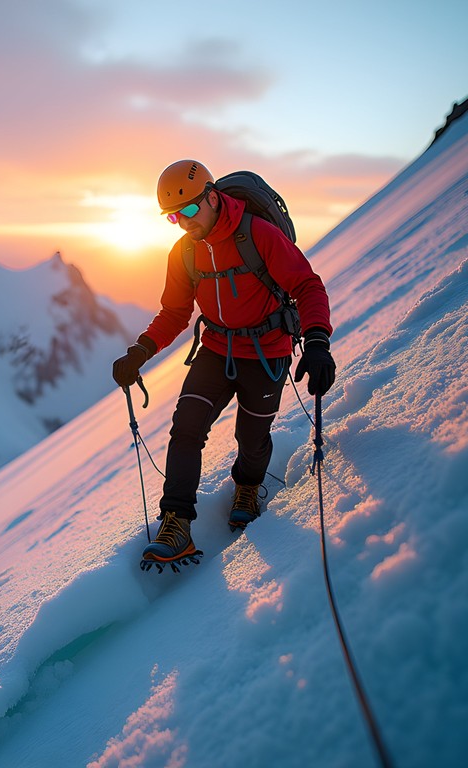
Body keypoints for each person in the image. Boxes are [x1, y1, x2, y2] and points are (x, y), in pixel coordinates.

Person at [112, 159, 335, 568]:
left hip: (267, 349)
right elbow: (175, 314)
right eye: (174, 217)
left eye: (191, 210)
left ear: (213, 197)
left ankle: (248, 488)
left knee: (252, 436)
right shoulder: (184, 254)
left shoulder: (258, 235)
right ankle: (176, 522)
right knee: (186, 427)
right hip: (216, 348)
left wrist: (318, 341)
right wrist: (141, 350)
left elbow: (306, 285)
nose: (184, 222)